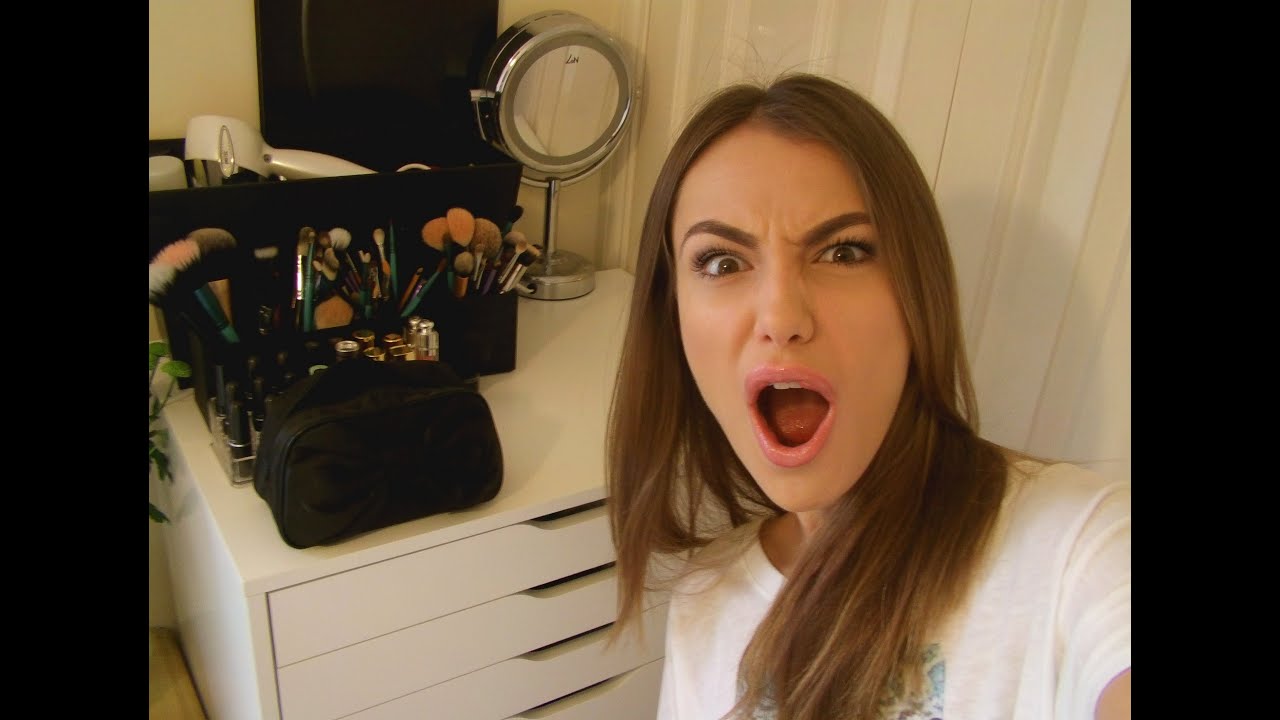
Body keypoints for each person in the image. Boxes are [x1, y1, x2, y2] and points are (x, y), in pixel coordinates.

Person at [605, 72, 1130, 720]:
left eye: (843, 252)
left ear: (916, 292)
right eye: (722, 262)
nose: (781, 316)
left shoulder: (1080, 553)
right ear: (673, 317)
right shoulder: (705, 602)